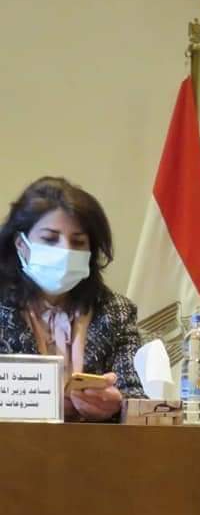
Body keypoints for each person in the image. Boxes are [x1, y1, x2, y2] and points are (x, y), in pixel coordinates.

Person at [0, 176, 145, 420]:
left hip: (92, 443)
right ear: (21, 245)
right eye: (50, 239)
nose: (65, 251)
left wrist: (116, 405)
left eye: (78, 242)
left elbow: (138, 396)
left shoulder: (116, 311)